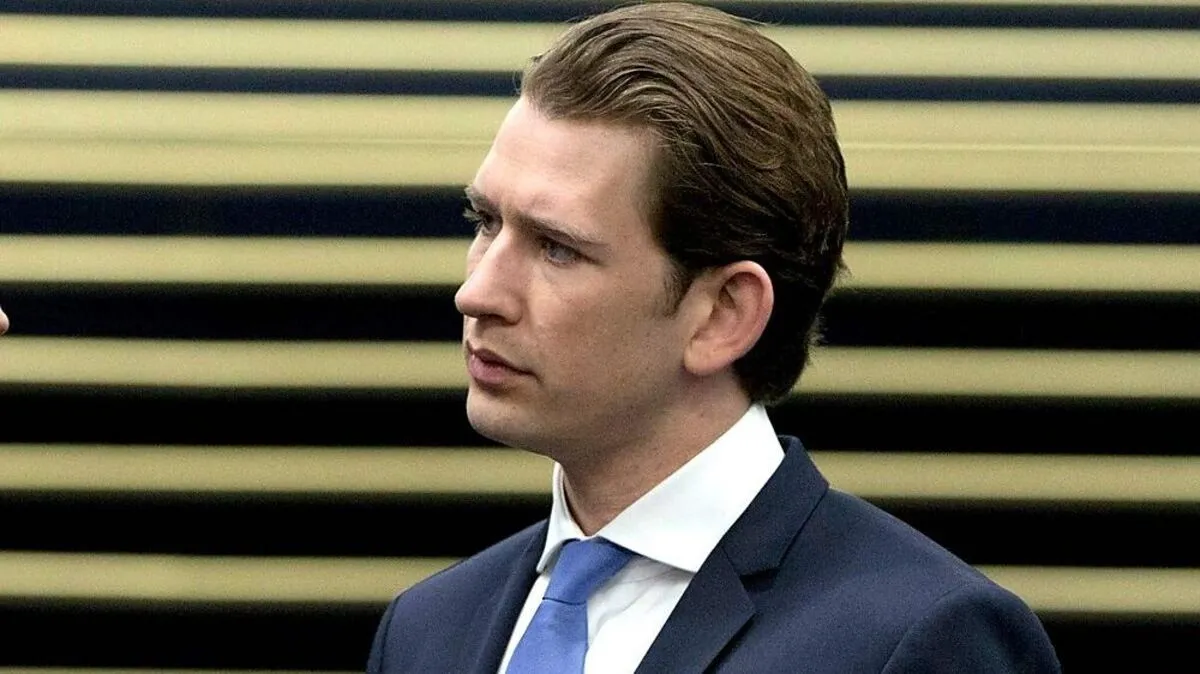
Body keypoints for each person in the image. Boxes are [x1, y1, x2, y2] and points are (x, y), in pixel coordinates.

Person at [368, 3, 1060, 672]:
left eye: (557, 248)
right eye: (486, 222)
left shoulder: (919, 639)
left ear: (724, 314)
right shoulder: (427, 629)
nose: (476, 293)